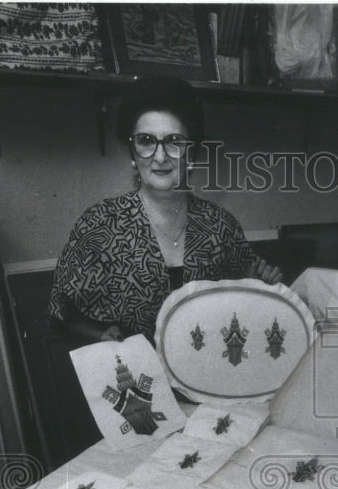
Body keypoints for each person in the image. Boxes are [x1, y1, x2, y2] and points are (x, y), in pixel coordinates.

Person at [48, 81, 282, 343]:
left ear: (191, 154)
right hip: (134, 378)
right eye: (146, 141)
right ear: (133, 156)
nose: (160, 157)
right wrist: (101, 334)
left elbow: (240, 309)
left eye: (174, 142)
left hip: (209, 374)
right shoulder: (99, 225)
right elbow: (63, 316)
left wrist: (256, 285)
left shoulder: (220, 226)